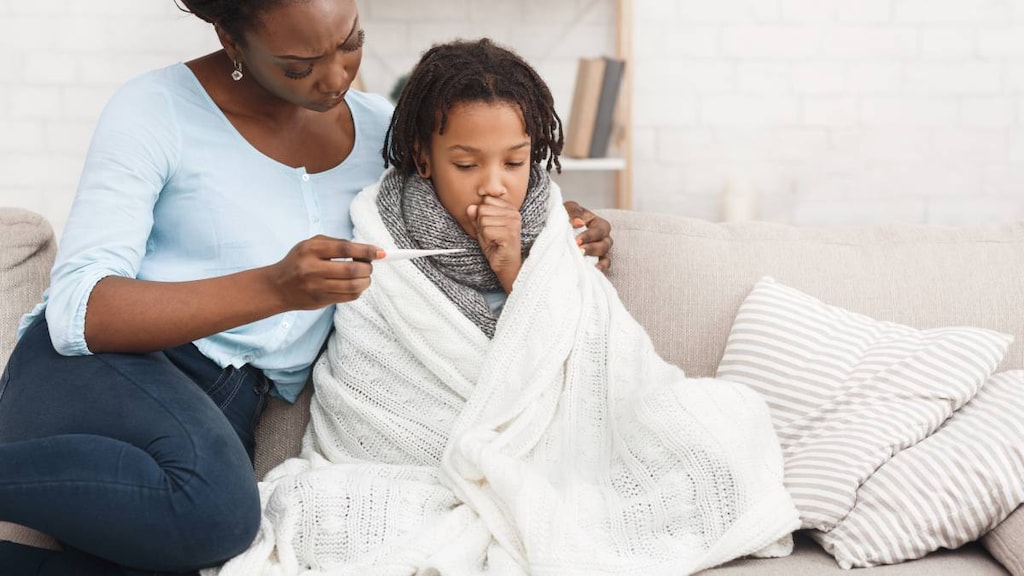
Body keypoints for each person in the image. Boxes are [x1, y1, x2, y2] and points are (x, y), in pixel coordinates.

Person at [0, 1, 613, 574]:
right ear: (231, 40)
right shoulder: (155, 109)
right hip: (102, 373)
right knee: (219, 516)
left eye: (350, 43)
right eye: (299, 66)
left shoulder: (386, 134)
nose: (335, 77)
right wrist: (273, 286)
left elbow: (469, 192)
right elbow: (80, 310)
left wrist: (555, 225)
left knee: (213, 557)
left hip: (223, 410)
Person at [210, 38, 799, 576]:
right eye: (467, 165)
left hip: (565, 453)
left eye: (514, 163)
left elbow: (590, 354)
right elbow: (372, 375)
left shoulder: (554, 227)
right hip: (421, 460)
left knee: (721, 428)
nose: (494, 184)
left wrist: (512, 264)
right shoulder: (378, 229)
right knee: (335, 510)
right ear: (423, 156)